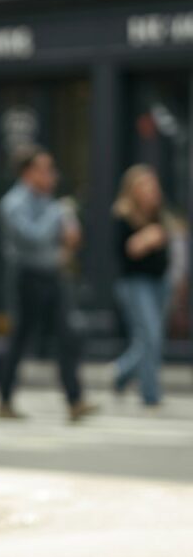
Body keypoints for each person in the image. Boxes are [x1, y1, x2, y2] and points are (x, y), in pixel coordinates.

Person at [0, 145, 95, 424]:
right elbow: (34, 237)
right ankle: (4, 399)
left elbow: (69, 236)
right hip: (27, 277)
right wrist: (59, 213)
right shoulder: (14, 203)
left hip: (54, 274)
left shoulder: (50, 202)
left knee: (67, 334)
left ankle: (75, 400)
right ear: (28, 172)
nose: (52, 175)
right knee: (20, 337)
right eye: (46, 169)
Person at [111, 165, 171, 407]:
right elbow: (126, 251)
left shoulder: (159, 214)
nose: (151, 191)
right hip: (136, 283)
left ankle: (122, 371)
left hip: (160, 282)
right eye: (145, 186)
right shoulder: (123, 215)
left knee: (150, 338)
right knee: (150, 335)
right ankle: (150, 393)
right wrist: (146, 238)